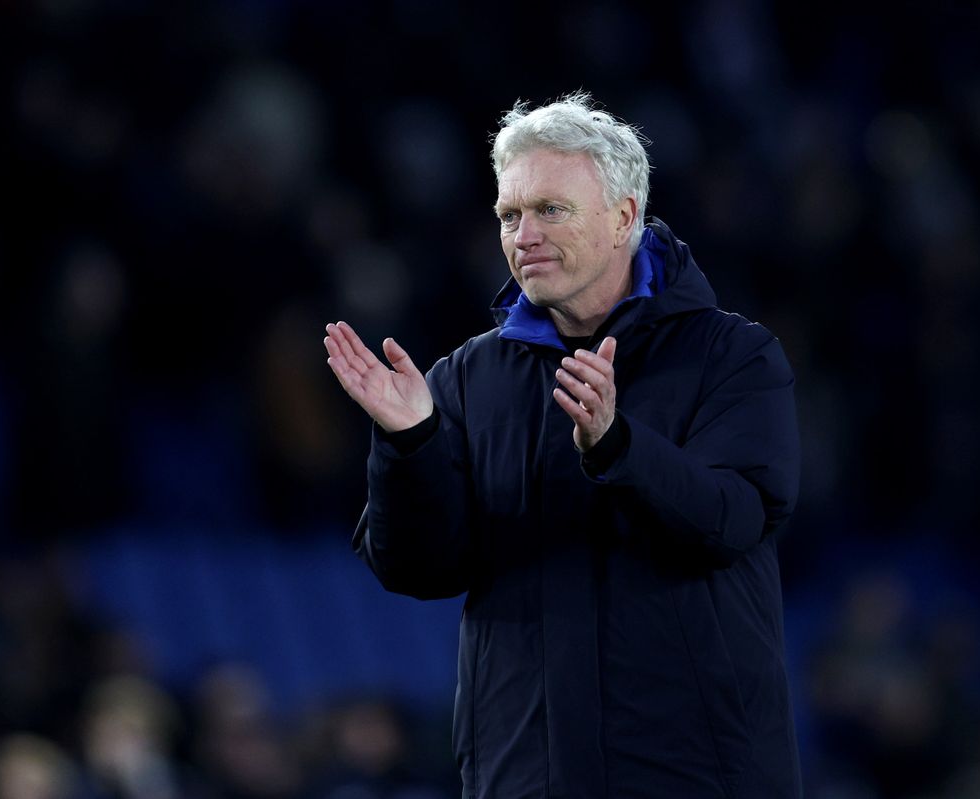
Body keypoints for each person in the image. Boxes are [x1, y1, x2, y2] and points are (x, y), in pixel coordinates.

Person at [324, 92, 801, 799]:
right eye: (510, 216)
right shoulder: (464, 377)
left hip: (700, 775)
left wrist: (618, 446)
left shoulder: (732, 356)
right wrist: (411, 443)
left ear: (624, 218)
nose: (524, 235)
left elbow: (733, 519)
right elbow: (418, 568)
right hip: (525, 776)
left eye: (551, 209)